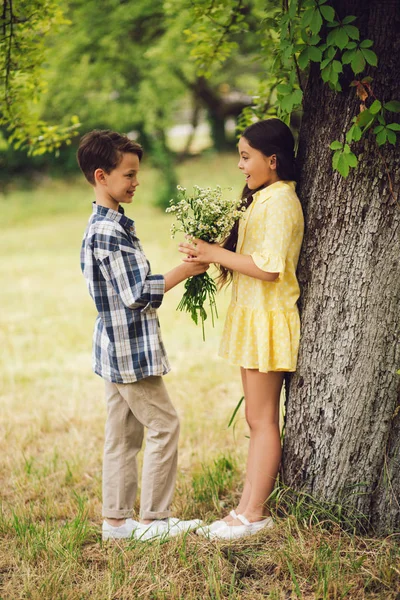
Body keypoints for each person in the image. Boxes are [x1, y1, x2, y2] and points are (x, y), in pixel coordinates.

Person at [78, 130, 207, 541]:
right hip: (130, 352)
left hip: (115, 348)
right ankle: (154, 520)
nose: (136, 182)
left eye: (137, 174)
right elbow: (135, 293)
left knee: (123, 436)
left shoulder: (107, 225)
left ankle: (116, 523)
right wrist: (184, 270)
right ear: (102, 175)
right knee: (165, 425)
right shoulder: (107, 232)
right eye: (128, 174)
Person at [179, 118, 304, 540]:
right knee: (256, 418)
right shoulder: (262, 198)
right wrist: (206, 252)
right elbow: (247, 256)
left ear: (273, 159)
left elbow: (269, 268)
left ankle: (255, 513)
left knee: (264, 419)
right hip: (253, 316)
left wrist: (217, 252)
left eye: (246, 156)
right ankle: (244, 508)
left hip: (269, 318)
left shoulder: (282, 201)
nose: (240, 165)